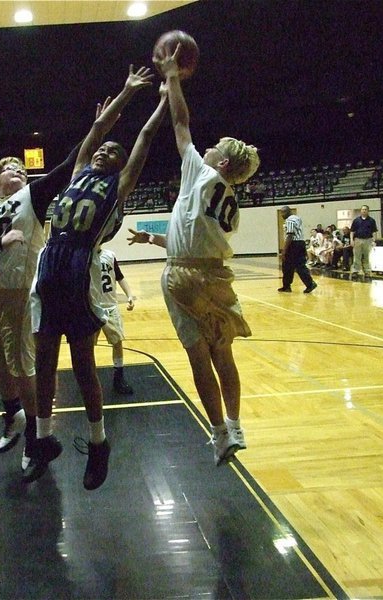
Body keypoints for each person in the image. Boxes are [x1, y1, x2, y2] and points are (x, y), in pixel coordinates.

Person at [26, 65, 168, 490]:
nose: (106, 151)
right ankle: (45, 438)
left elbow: (141, 140)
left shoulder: (119, 185)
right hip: (49, 265)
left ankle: (99, 442)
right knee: (44, 359)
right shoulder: (77, 172)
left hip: (78, 267)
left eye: (113, 152)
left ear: (122, 165)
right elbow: (99, 126)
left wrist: (161, 102)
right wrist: (126, 92)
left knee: (83, 361)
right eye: (103, 148)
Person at [128, 47, 259, 467]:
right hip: (216, 277)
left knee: (198, 356)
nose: (206, 149)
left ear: (220, 161)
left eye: (214, 148)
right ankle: (236, 425)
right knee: (225, 353)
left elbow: (180, 123)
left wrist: (172, 77)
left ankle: (219, 433)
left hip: (184, 279)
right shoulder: (232, 203)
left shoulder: (203, 174)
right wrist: (154, 242)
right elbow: (195, 242)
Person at [0, 142, 80, 472]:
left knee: (23, 368)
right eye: (11, 169)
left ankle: (34, 435)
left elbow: (67, 165)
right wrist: (0, 241)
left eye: (24, 171)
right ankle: (12, 413)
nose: (19, 172)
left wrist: (98, 128)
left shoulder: (33, 197)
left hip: (19, 295)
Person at [92, 247, 136, 395]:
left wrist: (130, 294)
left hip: (110, 306)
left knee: (117, 342)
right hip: (93, 306)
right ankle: (88, 377)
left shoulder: (110, 255)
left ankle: (119, 378)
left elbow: (119, 276)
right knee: (88, 345)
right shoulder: (85, 256)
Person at [278, 206, 317, 293]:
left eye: (283, 213)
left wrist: (284, 250)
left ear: (288, 212)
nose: (282, 215)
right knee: (293, 265)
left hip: (294, 244)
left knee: (293, 266)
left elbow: (290, 235)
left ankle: (309, 284)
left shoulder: (289, 220)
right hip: (300, 243)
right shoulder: (297, 218)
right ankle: (287, 285)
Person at [350, 204, 378, 278]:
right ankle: (355, 271)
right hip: (358, 240)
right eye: (362, 209)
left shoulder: (372, 220)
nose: (364, 211)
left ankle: (367, 271)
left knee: (367, 256)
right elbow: (352, 231)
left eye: (365, 209)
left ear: (368, 211)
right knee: (357, 256)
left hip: (368, 240)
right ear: (361, 211)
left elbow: (374, 232)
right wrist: (351, 240)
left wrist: (374, 241)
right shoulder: (356, 220)